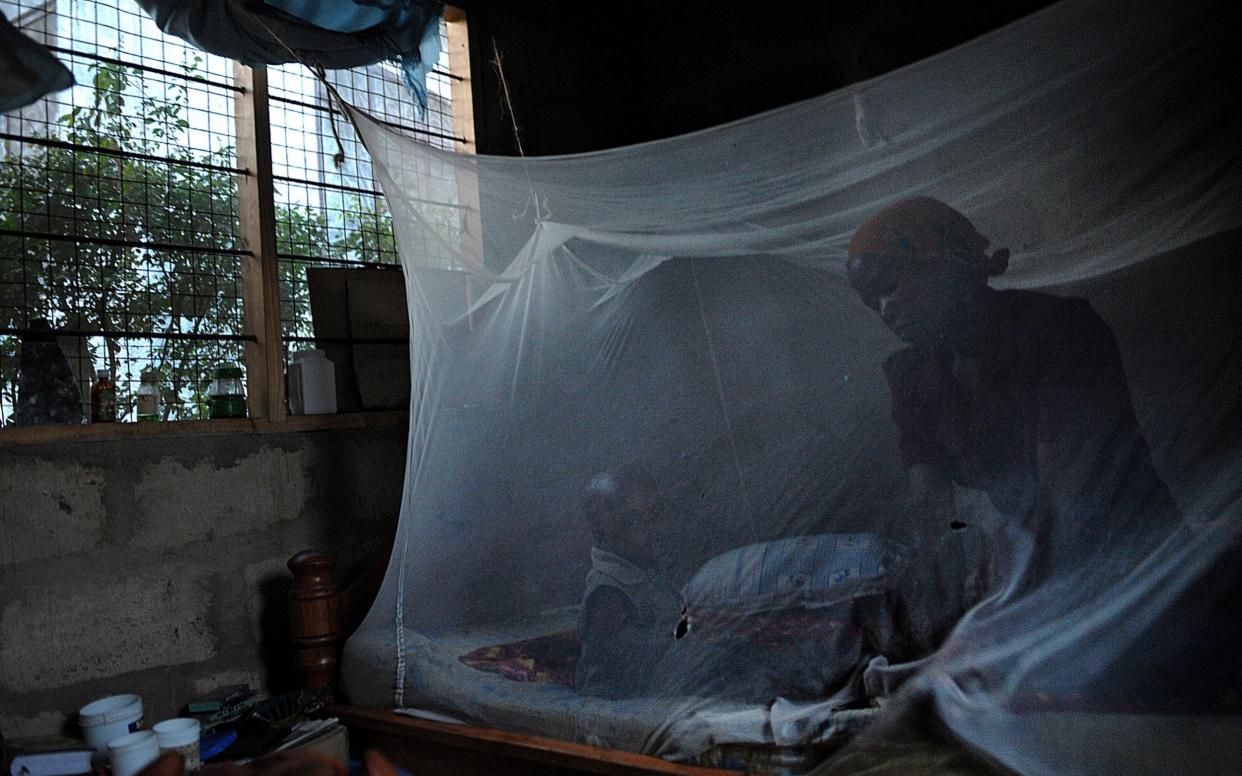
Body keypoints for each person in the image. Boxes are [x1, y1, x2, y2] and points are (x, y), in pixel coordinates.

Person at [845, 197, 1180, 650]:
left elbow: (1071, 490)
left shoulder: (1058, 331)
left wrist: (1012, 582)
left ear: (943, 265)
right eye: (871, 302)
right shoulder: (914, 376)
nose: (884, 309)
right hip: (1038, 563)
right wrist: (936, 596)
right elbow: (930, 505)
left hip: (1137, 560)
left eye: (889, 286)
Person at [575, 465, 683, 698]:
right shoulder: (608, 594)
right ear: (600, 533)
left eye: (654, 516)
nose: (651, 530)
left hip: (655, 677)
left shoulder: (645, 569)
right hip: (616, 697)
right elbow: (624, 660)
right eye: (630, 523)